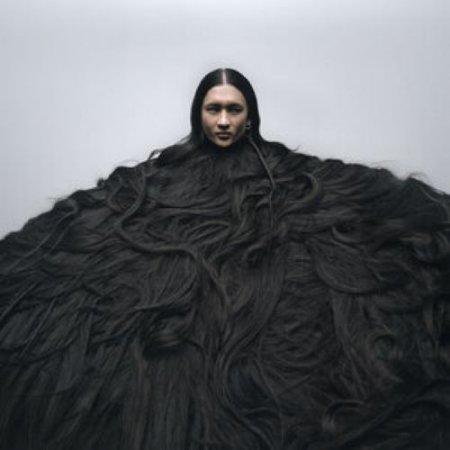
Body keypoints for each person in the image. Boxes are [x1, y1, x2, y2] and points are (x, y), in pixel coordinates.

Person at [0, 68, 449, 450]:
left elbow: (339, 187)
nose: (222, 121)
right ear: (198, 113)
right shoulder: (161, 177)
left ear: (250, 115)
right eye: (213, 109)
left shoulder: (283, 171)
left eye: (233, 110)